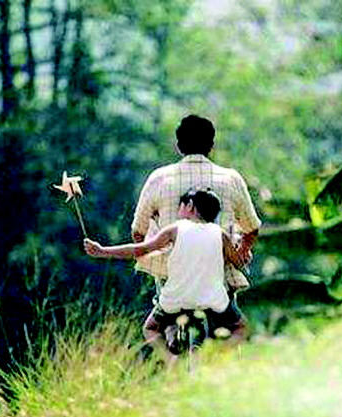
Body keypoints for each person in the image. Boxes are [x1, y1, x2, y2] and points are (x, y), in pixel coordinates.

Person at [131, 114, 261, 340]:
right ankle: (222, 355)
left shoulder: (159, 178)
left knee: (157, 326)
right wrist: (240, 252)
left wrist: (154, 256)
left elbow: (138, 232)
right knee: (235, 328)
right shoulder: (231, 179)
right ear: (211, 145)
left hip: (172, 277)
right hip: (219, 277)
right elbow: (252, 229)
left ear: (179, 145)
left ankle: (172, 349)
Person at [84, 189, 246, 357]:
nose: (178, 212)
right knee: (241, 327)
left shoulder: (175, 229)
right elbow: (239, 262)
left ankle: (171, 362)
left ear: (190, 205)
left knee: (150, 328)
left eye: (180, 206)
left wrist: (102, 250)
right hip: (212, 300)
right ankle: (213, 355)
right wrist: (238, 248)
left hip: (175, 300)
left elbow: (140, 250)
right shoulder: (220, 234)